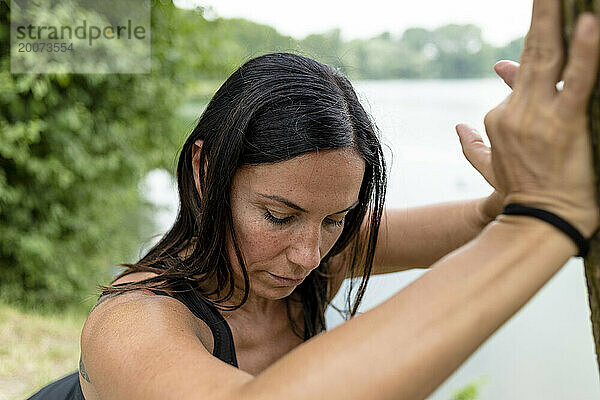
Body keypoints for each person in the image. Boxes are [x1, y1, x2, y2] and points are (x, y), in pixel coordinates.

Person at [28, 1, 600, 398]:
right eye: (279, 215)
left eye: (337, 219)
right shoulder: (132, 323)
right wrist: (539, 221)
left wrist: (520, 195)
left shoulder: (318, 257)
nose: (307, 254)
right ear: (205, 172)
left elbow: (481, 220)